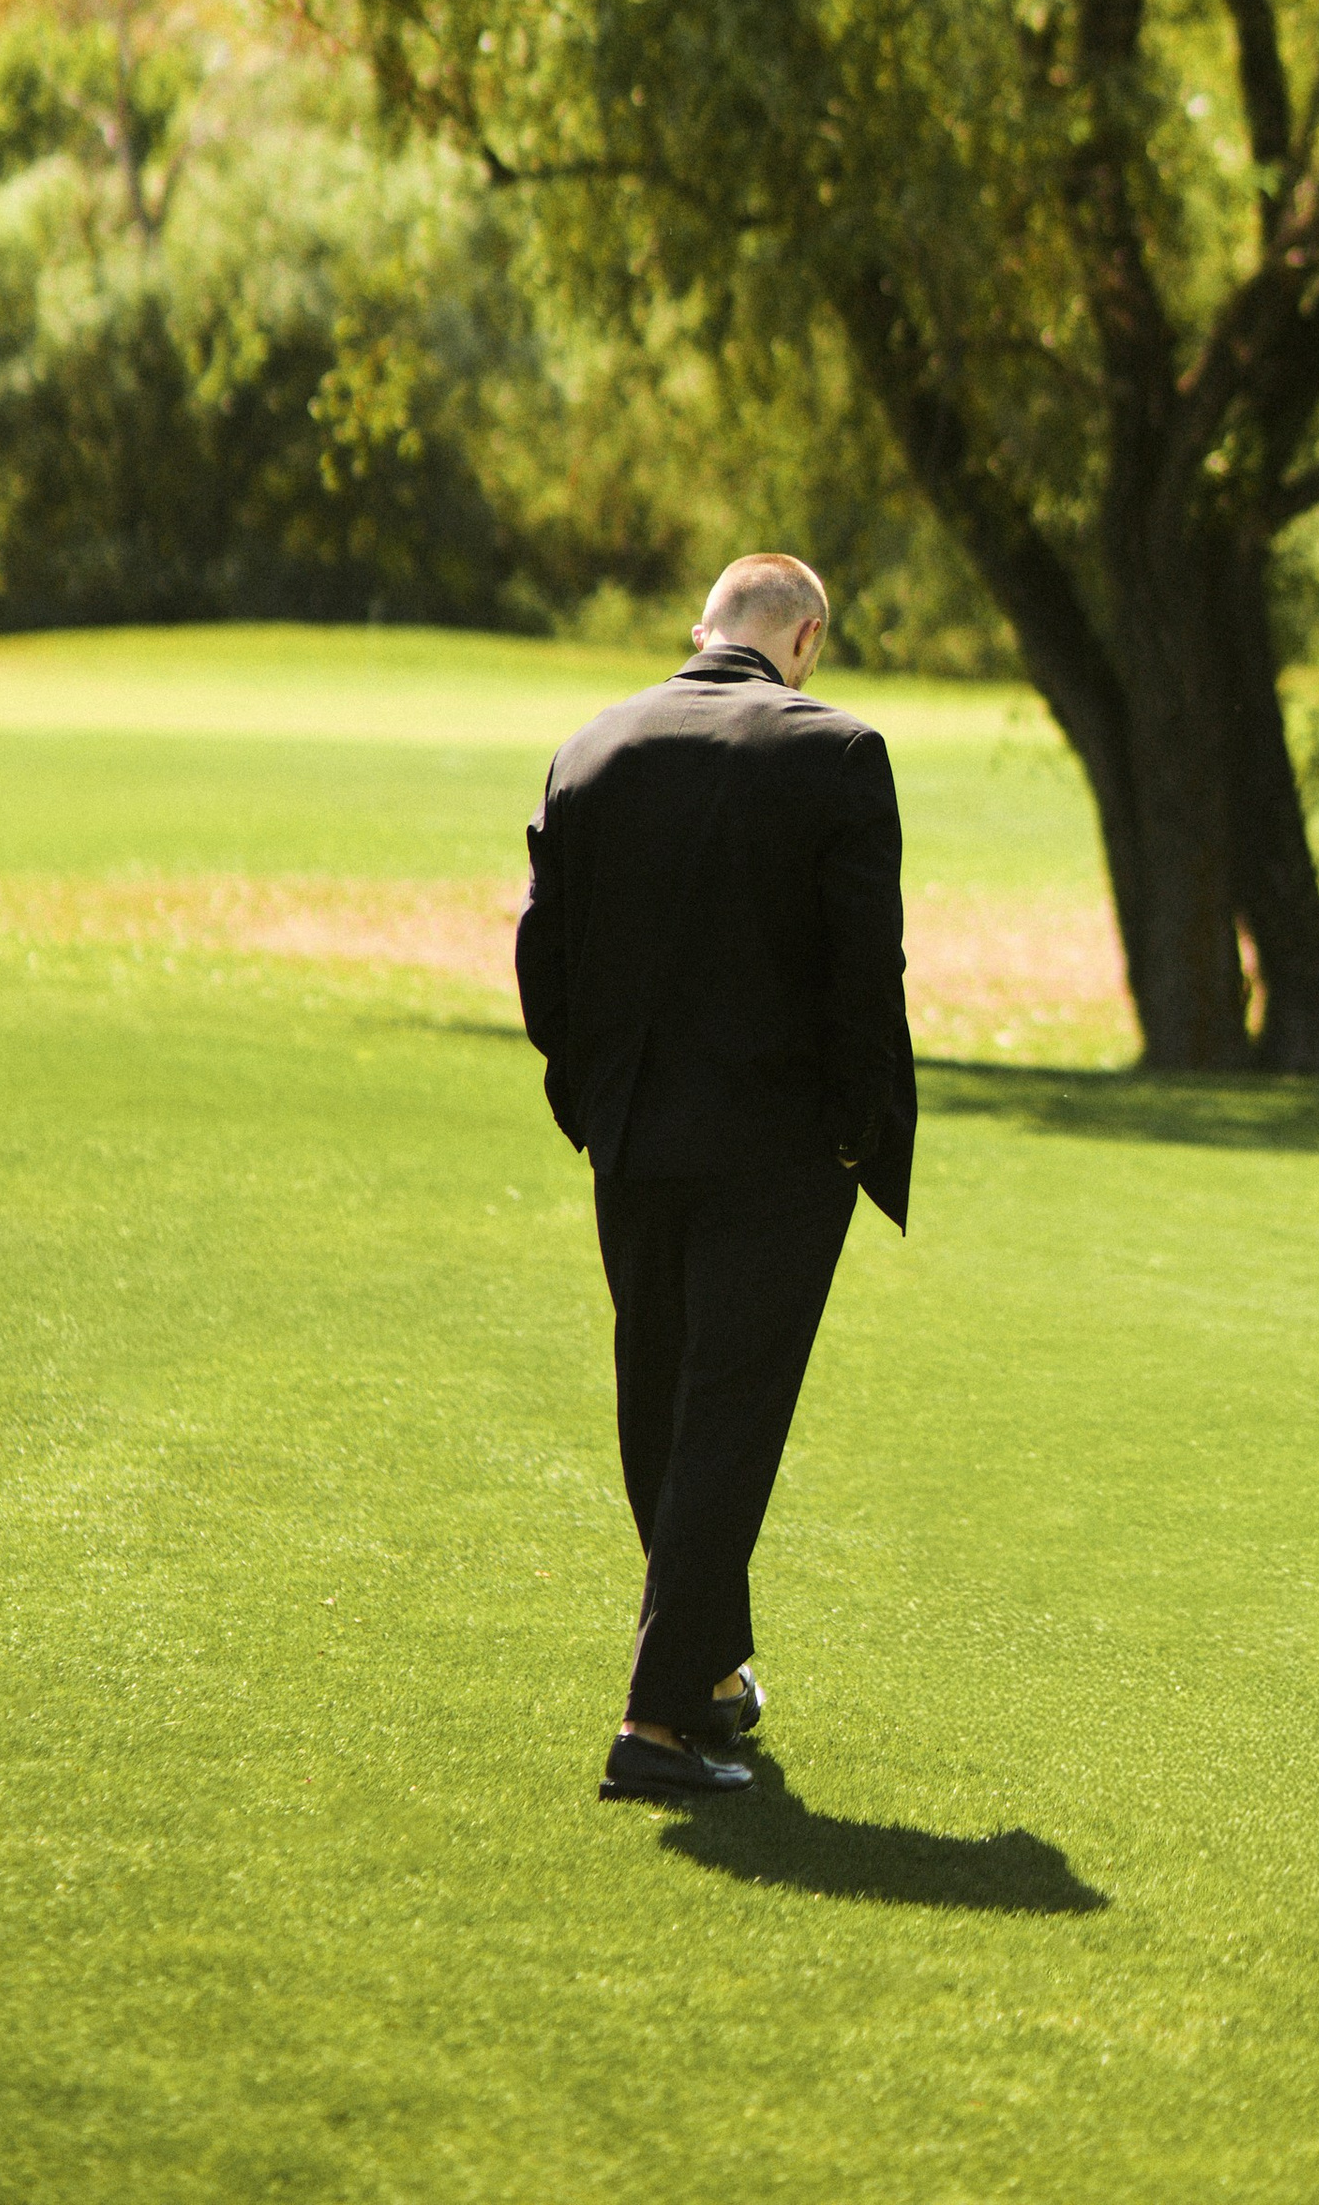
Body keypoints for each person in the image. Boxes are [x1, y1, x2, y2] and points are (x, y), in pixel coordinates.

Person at [515, 552, 916, 1803]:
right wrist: (862, 1138)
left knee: (661, 1405)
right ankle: (654, 1727)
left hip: (634, 1143)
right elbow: (867, 975)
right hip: (778, 1151)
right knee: (729, 1423)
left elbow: (545, 965)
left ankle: (705, 1678)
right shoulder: (837, 753)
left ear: (705, 632)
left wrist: (592, 1105)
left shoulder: (590, 749)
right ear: (802, 640)